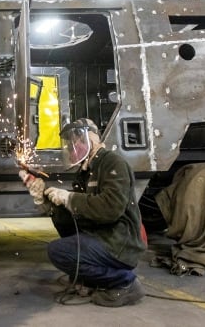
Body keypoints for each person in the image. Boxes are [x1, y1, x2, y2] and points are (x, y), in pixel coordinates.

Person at [19, 118, 147, 307]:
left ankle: (124, 281)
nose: (72, 146)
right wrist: (45, 200)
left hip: (119, 242)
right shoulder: (85, 172)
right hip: (102, 235)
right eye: (70, 142)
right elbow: (76, 217)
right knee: (66, 241)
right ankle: (93, 279)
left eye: (76, 139)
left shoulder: (113, 163)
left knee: (59, 252)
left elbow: (110, 209)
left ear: (92, 138)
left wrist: (70, 198)